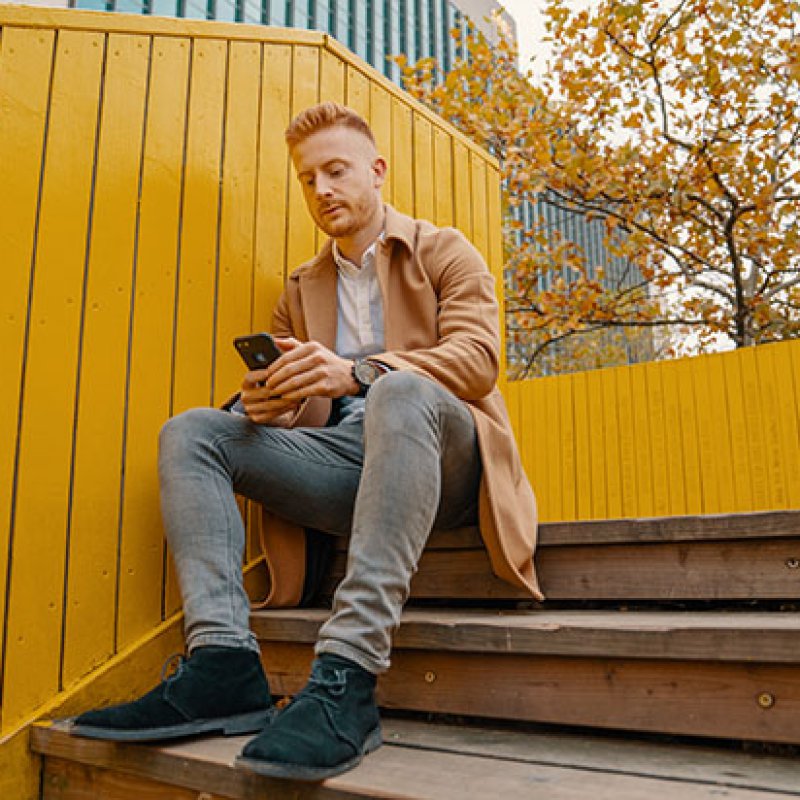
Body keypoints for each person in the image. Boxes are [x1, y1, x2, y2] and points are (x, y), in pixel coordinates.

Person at [67, 102, 541, 781]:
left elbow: (478, 360)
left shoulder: (443, 250)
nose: (322, 189)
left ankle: (347, 673)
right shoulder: (300, 289)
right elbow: (302, 409)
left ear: (377, 171)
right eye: (308, 178)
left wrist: (359, 372)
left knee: (399, 392)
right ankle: (222, 664)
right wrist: (265, 406)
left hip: (449, 463)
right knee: (194, 431)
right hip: (350, 468)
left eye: (337, 171)